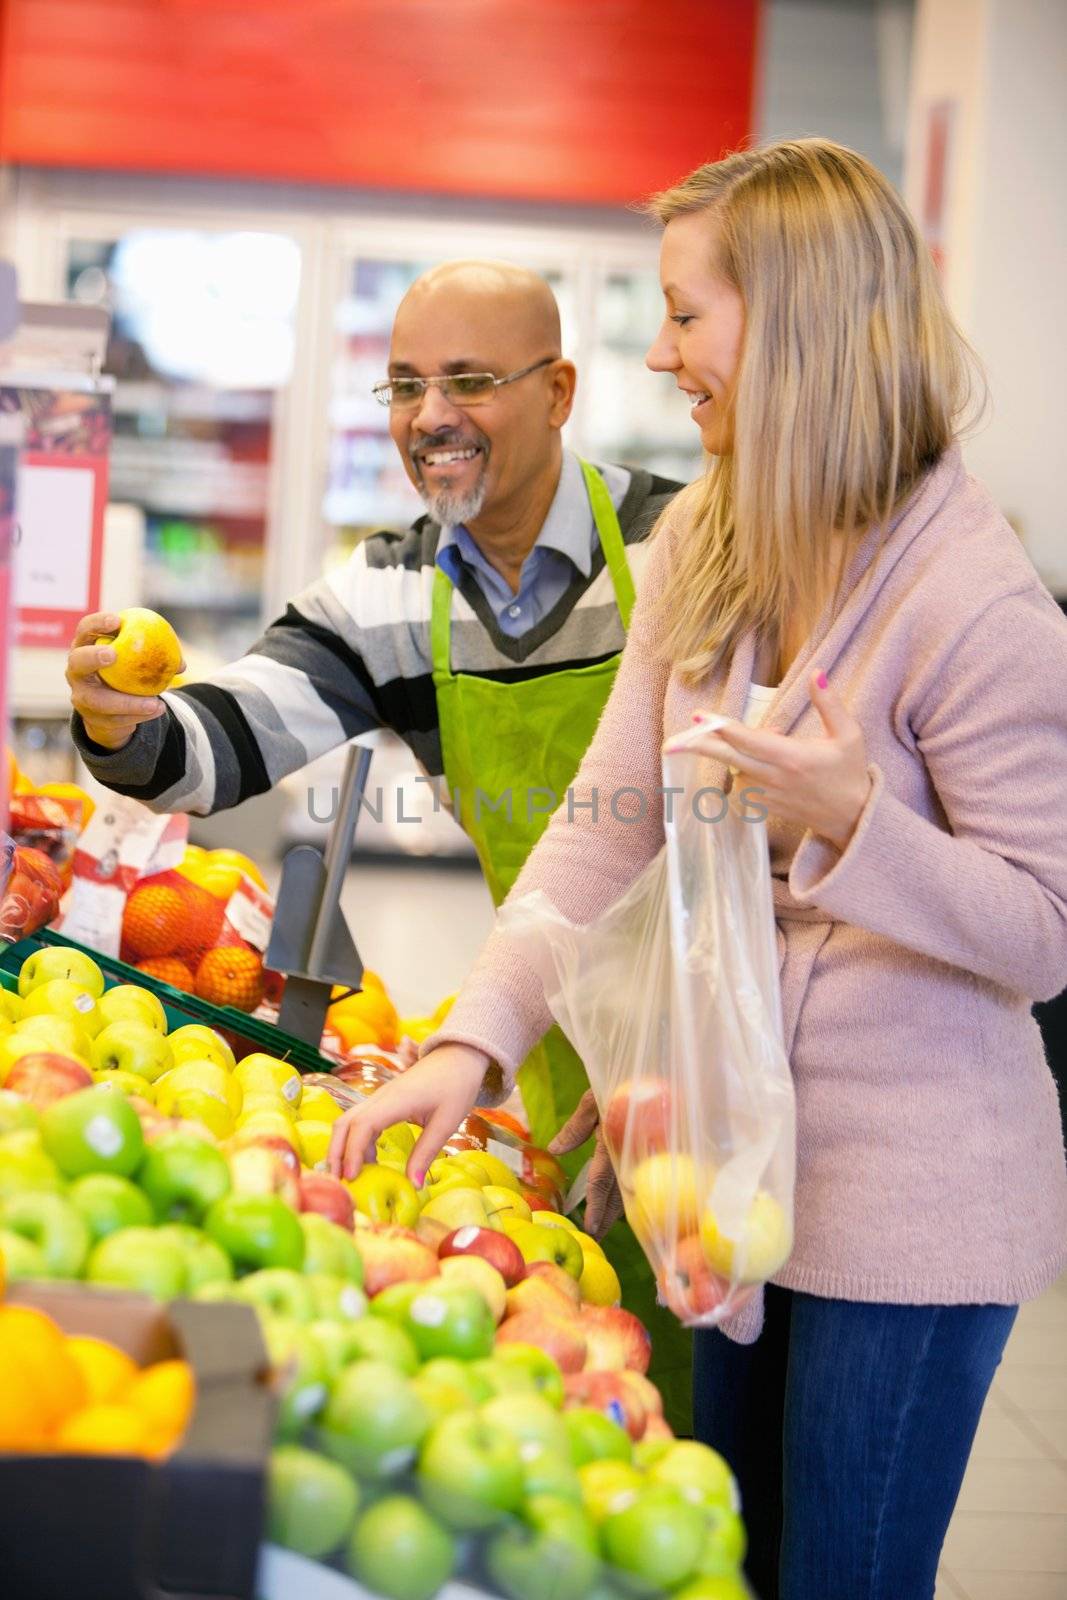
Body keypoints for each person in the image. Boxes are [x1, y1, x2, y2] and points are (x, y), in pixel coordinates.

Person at [325, 140, 1067, 1599]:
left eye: (684, 314)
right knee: (713, 1559)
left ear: (791, 318)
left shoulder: (973, 602)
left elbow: (1039, 932)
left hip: (910, 1205)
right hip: (719, 1176)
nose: (658, 355)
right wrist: (473, 1040)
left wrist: (856, 821)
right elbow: (605, 827)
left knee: (839, 1577)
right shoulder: (707, 546)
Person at [65, 258, 693, 1421]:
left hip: (722, 1037)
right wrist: (120, 713)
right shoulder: (392, 592)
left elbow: (746, 827)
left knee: (730, 1401)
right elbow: (223, 741)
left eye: (468, 381)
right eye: (404, 385)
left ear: (557, 391)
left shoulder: (681, 549)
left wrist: (669, 1044)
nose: (429, 418)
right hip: (543, 1039)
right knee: (594, 1378)